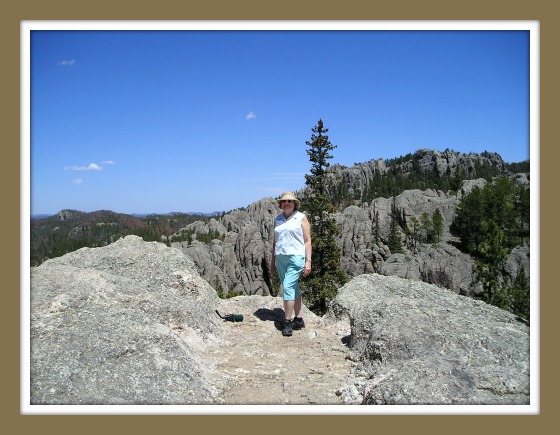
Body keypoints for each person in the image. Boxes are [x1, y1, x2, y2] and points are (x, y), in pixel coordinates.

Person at [270, 192, 312, 337]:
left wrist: (308, 261)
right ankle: (299, 319)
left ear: (294, 204)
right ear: (280, 204)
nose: (287, 203)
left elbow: (307, 241)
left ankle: (287, 322)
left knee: (287, 287)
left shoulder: (301, 217)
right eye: (284, 201)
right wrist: (272, 264)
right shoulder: (278, 220)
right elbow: (275, 243)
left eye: (290, 201)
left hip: (296, 258)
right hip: (280, 259)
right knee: (294, 288)